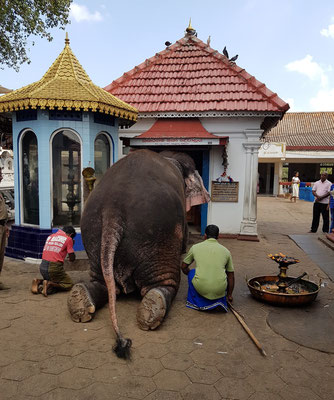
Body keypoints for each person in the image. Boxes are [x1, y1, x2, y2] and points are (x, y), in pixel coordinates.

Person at [181, 224, 235, 311]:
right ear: (218, 236)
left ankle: (196, 300)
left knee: (192, 273)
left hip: (200, 287)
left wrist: (194, 277)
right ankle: (219, 301)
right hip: (220, 290)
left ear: (205, 235)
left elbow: (183, 266)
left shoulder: (195, 248)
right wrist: (229, 296)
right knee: (225, 274)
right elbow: (231, 276)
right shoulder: (226, 251)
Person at [31, 226, 76, 296]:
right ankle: (49, 284)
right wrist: (72, 244)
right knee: (68, 284)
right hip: (54, 268)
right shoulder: (69, 239)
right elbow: (72, 259)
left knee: (53, 281)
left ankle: (39, 281)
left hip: (42, 267)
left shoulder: (51, 236)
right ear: (71, 234)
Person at [0, 168, 10, 290]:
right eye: (0, 174)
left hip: (2, 226)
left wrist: (5, 225)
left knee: (1, 255)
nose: (2, 177)